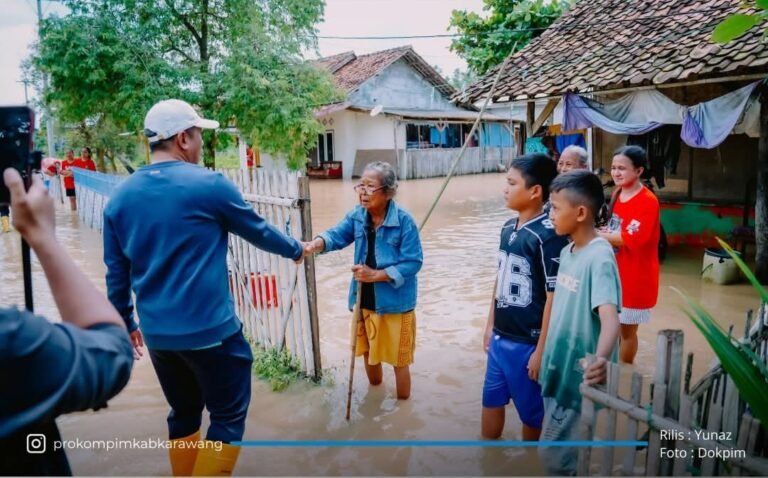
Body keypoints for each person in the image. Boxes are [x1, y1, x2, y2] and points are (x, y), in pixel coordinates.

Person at [103, 99, 306, 476]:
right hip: (212, 334)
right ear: (182, 138)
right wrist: (297, 249)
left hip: (159, 337)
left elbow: (116, 273)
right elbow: (259, 231)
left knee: (183, 413)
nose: (200, 145)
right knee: (228, 418)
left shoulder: (120, 198)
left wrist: (127, 321)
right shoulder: (210, 185)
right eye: (197, 136)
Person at [0, 168, 133, 475]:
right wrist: (42, 235)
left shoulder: (122, 196)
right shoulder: (13, 340)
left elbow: (117, 268)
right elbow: (112, 352)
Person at [304, 161, 422, 400]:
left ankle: (402, 416)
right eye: (361, 186)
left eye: (370, 187)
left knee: (400, 362)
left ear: (388, 192)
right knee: (368, 353)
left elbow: (413, 262)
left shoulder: (405, 221)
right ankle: (375, 398)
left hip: (395, 303)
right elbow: (337, 235)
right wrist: (316, 244)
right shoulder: (357, 216)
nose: (363, 192)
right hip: (363, 298)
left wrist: (376, 275)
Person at [538, 169, 621, 475]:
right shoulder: (567, 251)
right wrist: (542, 352)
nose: (550, 215)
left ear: (581, 212)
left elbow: (610, 319)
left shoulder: (599, 256)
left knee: (554, 459)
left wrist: (600, 359)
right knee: (560, 454)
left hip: (578, 374)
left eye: (556, 208)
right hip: (557, 366)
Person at [480, 153, 568, 441]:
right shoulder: (507, 228)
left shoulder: (549, 235)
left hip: (528, 342)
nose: (505, 189)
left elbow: (553, 296)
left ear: (535, 191)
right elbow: (500, 277)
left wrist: (541, 351)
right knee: (491, 402)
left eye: (511, 183)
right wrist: (489, 324)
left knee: (532, 416)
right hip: (500, 337)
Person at [599, 145, 660, 364]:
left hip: (635, 275)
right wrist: (603, 233)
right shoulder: (617, 193)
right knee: (609, 328)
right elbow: (615, 228)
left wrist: (593, 234)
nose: (616, 173)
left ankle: (624, 374)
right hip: (614, 270)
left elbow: (630, 238)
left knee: (626, 332)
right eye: (614, 168)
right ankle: (609, 367)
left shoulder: (647, 201)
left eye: (622, 168)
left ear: (639, 171)